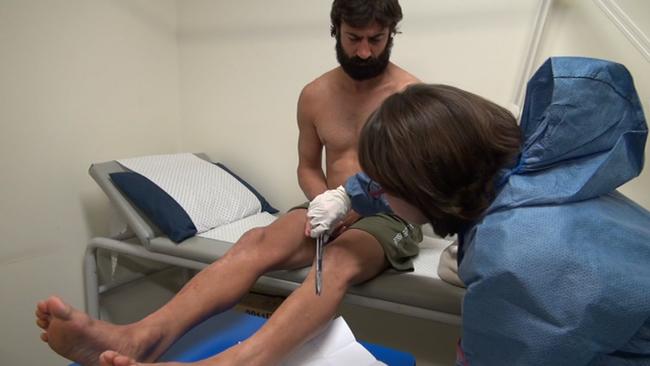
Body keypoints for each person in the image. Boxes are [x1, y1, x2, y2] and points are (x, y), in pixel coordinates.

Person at [35, 1, 423, 365]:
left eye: (377, 39)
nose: (365, 52)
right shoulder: (315, 94)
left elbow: (410, 179)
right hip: (327, 207)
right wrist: (326, 201)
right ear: (336, 30)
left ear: (392, 33)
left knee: (337, 261)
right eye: (354, 38)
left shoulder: (410, 95)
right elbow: (307, 166)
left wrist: (349, 206)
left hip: (388, 214)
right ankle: (137, 337)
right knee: (255, 242)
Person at [314, 57, 650, 364]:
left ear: (422, 184)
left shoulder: (512, 254)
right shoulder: (530, 177)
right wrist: (346, 194)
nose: (381, 191)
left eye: (385, 183)